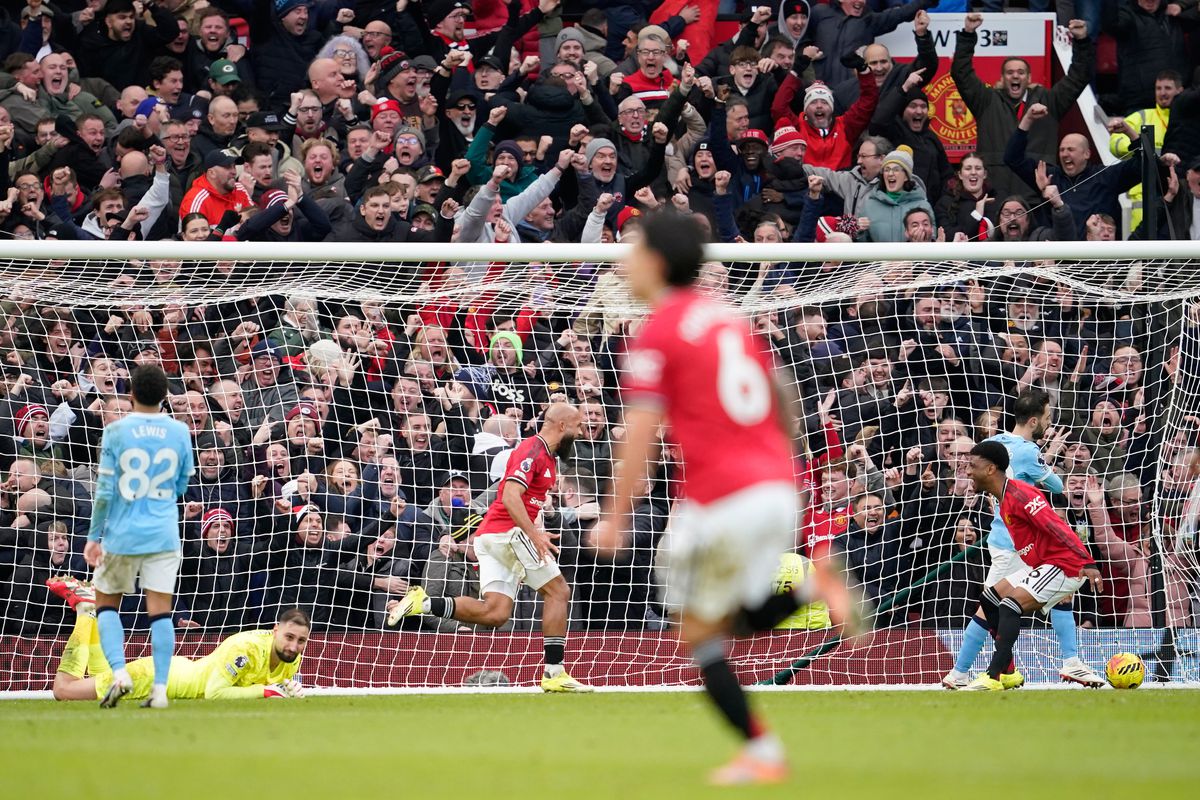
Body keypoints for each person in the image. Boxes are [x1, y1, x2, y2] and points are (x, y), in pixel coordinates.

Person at [590, 211, 859, 785]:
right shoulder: (730, 322)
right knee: (723, 620)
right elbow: (780, 394)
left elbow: (640, 433)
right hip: (777, 486)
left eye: (632, 251)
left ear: (656, 262)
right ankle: (812, 587)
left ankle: (762, 751)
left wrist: (614, 517)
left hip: (721, 496)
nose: (623, 262)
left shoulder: (658, 331)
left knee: (698, 631)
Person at [387, 403, 593, 693]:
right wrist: (534, 534)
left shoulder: (547, 457)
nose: (580, 432)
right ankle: (554, 673)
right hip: (508, 533)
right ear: (561, 425)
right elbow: (509, 496)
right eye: (577, 425)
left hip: (492, 537)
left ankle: (423, 603)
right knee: (558, 591)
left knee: (495, 613)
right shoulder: (532, 450)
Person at [941, 390, 1104, 690]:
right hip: (1014, 542)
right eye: (1048, 417)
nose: (1049, 422)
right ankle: (965, 672)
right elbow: (1057, 487)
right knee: (993, 605)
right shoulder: (1029, 452)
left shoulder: (996, 443)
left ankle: (1066, 662)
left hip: (1007, 537)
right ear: (1034, 421)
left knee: (1058, 595)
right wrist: (1047, 457)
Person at [84, 364, 195, 709]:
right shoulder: (180, 431)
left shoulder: (116, 431)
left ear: (130, 394)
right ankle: (159, 690)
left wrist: (93, 536)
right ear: (165, 397)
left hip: (122, 533)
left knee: (106, 603)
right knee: (160, 611)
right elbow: (182, 484)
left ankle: (120, 673)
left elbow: (104, 491)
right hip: (163, 533)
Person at [49, 580, 308, 703]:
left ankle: (93, 611)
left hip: (175, 673)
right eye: (289, 637)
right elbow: (215, 693)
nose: (293, 647)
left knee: (97, 679)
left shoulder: (290, 657)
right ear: (275, 630)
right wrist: (268, 691)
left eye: (300, 641)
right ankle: (87, 613)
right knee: (64, 691)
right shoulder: (247, 648)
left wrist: (289, 688)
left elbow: (271, 684)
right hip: (152, 679)